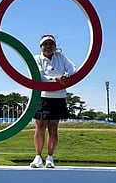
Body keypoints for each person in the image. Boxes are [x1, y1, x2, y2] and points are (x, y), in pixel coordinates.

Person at [30, 34, 76, 168]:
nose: (48, 47)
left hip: (59, 97)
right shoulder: (36, 59)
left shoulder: (60, 57)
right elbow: (38, 76)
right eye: (45, 44)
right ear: (41, 47)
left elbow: (73, 68)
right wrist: (56, 79)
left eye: (51, 44)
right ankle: (38, 157)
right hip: (42, 96)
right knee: (40, 127)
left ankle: (50, 157)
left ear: (55, 47)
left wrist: (67, 76)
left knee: (53, 128)